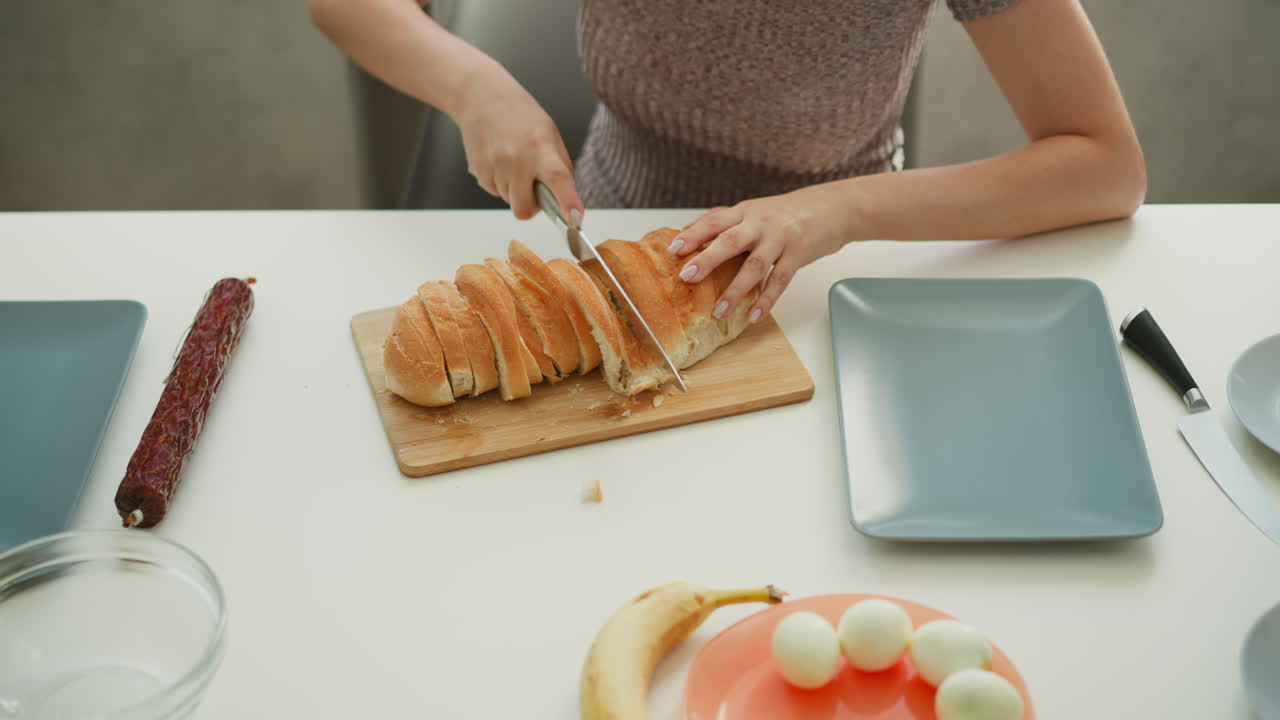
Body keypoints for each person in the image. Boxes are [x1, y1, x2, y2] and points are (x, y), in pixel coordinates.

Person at [311, 0, 1144, 324]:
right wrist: (471, 84)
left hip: (833, 284)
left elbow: (1105, 163)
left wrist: (839, 208)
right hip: (616, 238)